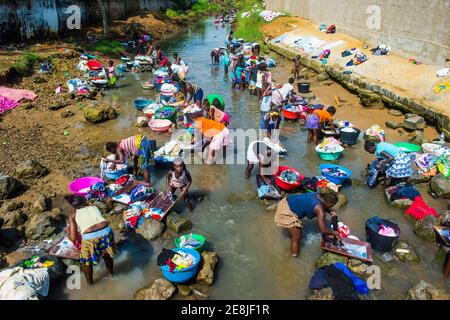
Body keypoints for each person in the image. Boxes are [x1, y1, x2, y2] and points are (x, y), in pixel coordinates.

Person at [274, 188, 341, 257]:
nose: (332, 207)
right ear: (328, 202)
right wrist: (335, 233)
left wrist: (329, 210)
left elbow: (318, 203)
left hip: (286, 201)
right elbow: (323, 230)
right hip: (286, 212)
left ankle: (291, 231)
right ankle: (294, 257)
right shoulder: (319, 209)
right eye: (331, 205)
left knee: (295, 232)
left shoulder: (317, 194)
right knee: (297, 237)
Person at [66, 195, 117, 284]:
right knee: (106, 254)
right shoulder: (94, 207)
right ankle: (111, 275)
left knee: (86, 261)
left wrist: (68, 231)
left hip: (90, 238)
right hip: (107, 231)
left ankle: (90, 284)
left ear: (73, 206)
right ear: (86, 201)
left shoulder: (72, 216)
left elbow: (73, 239)